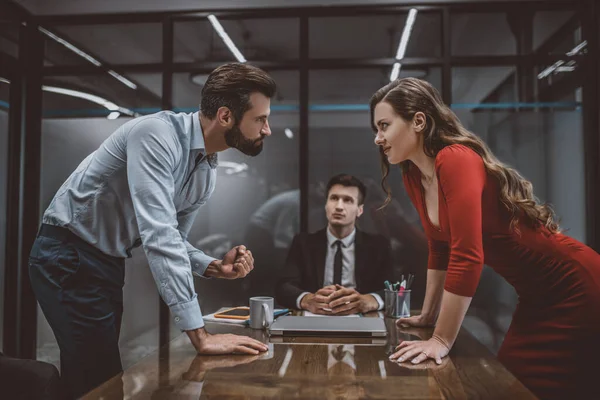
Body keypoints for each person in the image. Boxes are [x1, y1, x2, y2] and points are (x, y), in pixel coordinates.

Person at [29, 62, 275, 399]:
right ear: (226, 116)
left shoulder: (206, 170)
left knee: (92, 376)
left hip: (104, 263)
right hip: (66, 253)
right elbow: (159, 236)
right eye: (261, 119)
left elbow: (171, 238)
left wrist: (212, 265)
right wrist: (199, 335)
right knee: (100, 377)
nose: (268, 129)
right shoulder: (156, 134)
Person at [370, 77, 600, 399]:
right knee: (511, 386)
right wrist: (429, 314)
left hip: (575, 285)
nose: (378, 138)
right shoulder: (414, 175)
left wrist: (441, 340)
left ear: (418, 121)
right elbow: (439, 248)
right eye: (376, 129)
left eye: (384, 126)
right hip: (535, 297)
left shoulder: (455, 158)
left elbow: (467, 254)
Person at [276, 174, 393, 315]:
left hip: (360, 317)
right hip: (316, 316)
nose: (339, 206)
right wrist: (307, 299)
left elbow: (394, 288)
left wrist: (370, 300)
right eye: (334, 198)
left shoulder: (378, 246)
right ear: (326, 205)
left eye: (348, 200)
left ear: (359, 210)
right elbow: (283, 287)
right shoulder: (304, 243)